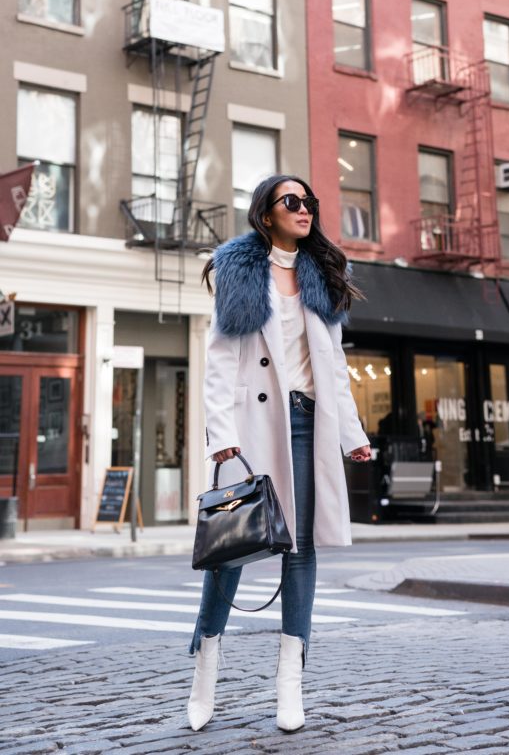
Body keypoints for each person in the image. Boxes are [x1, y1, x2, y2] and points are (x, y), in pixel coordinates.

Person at [187, 174, 372, 733]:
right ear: (265, 214)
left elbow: (333, 366)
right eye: (291, 201)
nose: (304, 209)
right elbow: (220, 360)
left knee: (301, 548)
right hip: (251, 427)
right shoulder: (239, 270)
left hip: (308, 422)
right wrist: (221, 436)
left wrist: (353, 434)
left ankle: (290, 682)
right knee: (231, 550)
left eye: (309, 201)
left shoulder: (322, 274)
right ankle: (206, 663)